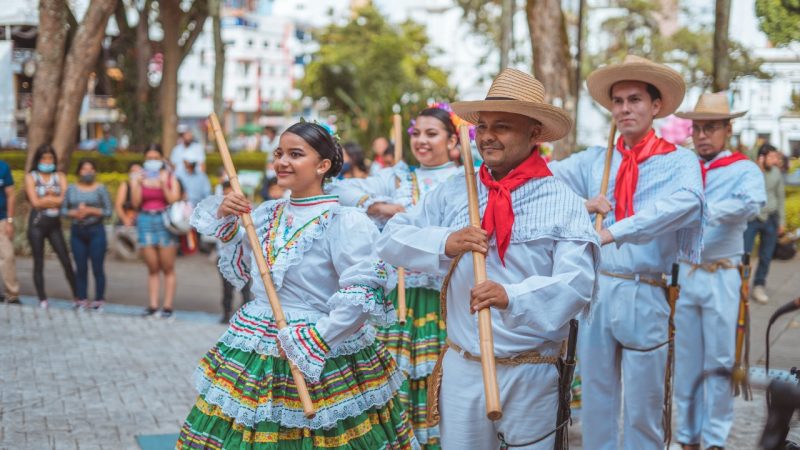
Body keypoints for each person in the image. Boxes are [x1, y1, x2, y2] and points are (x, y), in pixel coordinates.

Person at [377, 69, 599, 450]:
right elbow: (391, 239)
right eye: (483, 126)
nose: (488, 136)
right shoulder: (454, 191)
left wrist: (512, 295)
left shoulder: (562, 200)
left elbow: (577, 283)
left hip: (532, 370)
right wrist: (446, 241)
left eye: (503, 126)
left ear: (534, 133)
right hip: (463, 366)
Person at [177, 121, 417, 449]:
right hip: (258, 344)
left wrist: (317, 340)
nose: (282, 162)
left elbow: (363, 290)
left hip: (320, 349)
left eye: (295, 154)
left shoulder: (344, 221)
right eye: (278, 153)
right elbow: (246, 266)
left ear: (323, 166)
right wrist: (228, 218)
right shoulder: (264, 214)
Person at [549, 55, 704, 450]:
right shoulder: (594, 159)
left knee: (644, 407)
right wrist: (584, 203)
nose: (624, 108)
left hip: (645, 289)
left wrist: (614, 231)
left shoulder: (679, 161)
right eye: (617, 101)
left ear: (656, 106)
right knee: (596, 404)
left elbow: (686, 203)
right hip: (598, 290)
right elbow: (543, 182)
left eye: (634, 99)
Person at [335, 106, 463, 447]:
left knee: (446, 382)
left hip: (449, 299)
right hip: (400, 300)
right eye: (416, 133)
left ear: (453, 140)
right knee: (395, 382)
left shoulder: (465, 180)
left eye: (431, 134)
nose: (421, 140)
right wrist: (378, 205)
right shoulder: (396, 177)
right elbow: (339, 188)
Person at [670, 93, 766, 450]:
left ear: (728, 129)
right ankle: (687, 436)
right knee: (687, 361)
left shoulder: (744, 169)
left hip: (723, 275)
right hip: (686, 275)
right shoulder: (684, 166)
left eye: (710, 127)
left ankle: (714, 438)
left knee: (721, 359)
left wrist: (702, 209)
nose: (702, 135)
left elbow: (752, 204)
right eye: (697, 128)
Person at [130, 144, 181, 318]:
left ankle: (167, 306)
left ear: (161, 159)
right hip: (145, 220)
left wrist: (163, 183)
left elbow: (174, 199)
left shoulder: (169, 176)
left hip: (164, 221)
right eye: (149, 158)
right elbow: (135, 203)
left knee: (167, 266)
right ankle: (152, 305)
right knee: (152, 266)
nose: (152, 161)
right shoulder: (138, 177)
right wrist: (136, 184)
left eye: (155, 158)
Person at [25, 145, 78, 308]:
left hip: (55, 224)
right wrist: (53, 198)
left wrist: (47, 199)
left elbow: (65, 199)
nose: (47, 162)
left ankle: (77, 295)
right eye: (44, 159)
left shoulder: (59, 176)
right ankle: (42, 298)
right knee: (38, 261)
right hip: (37, 224)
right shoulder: (32, 177)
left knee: (65, 259)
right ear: (38, 160)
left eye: (50, 159)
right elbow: (35, 202)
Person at [62, 159, 113, 310]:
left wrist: (92, 211)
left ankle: (99, 299)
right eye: (84, 169)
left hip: (96, 231)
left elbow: (108, 211)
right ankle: (81, 298)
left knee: (97, 267)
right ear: (79, 171)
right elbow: (63, 211)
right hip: (78, 231)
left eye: (91, 169)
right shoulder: (71, 189)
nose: (88, 172)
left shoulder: (100, 189)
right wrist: (74, 213)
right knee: (80, 267)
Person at [744, 143, 786, 304]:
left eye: (776, 157)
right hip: (752, 218)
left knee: (766, 256)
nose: (775, 160)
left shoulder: (776, 173)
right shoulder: (752, 172)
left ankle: (759, 286)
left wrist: (781, 222)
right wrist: (759, 168)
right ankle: (741, 285)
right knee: (745, 255)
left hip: (770, 219)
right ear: (762, 156)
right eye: (772, 156)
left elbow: (780, 197)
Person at [216, 180, 253, 324]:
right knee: (226, 289)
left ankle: (246, 317)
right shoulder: (220, 211)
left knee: (245, 289)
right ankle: (226, 313)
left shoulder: (247, 211)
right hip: (224, 257)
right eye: (227, 192)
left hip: (244, 257)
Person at [0, 158, 19, 304]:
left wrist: (10, 220)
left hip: (2, 220)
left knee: (7, 256)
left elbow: (10, 195)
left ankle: (12, 294)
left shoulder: (3, 168)